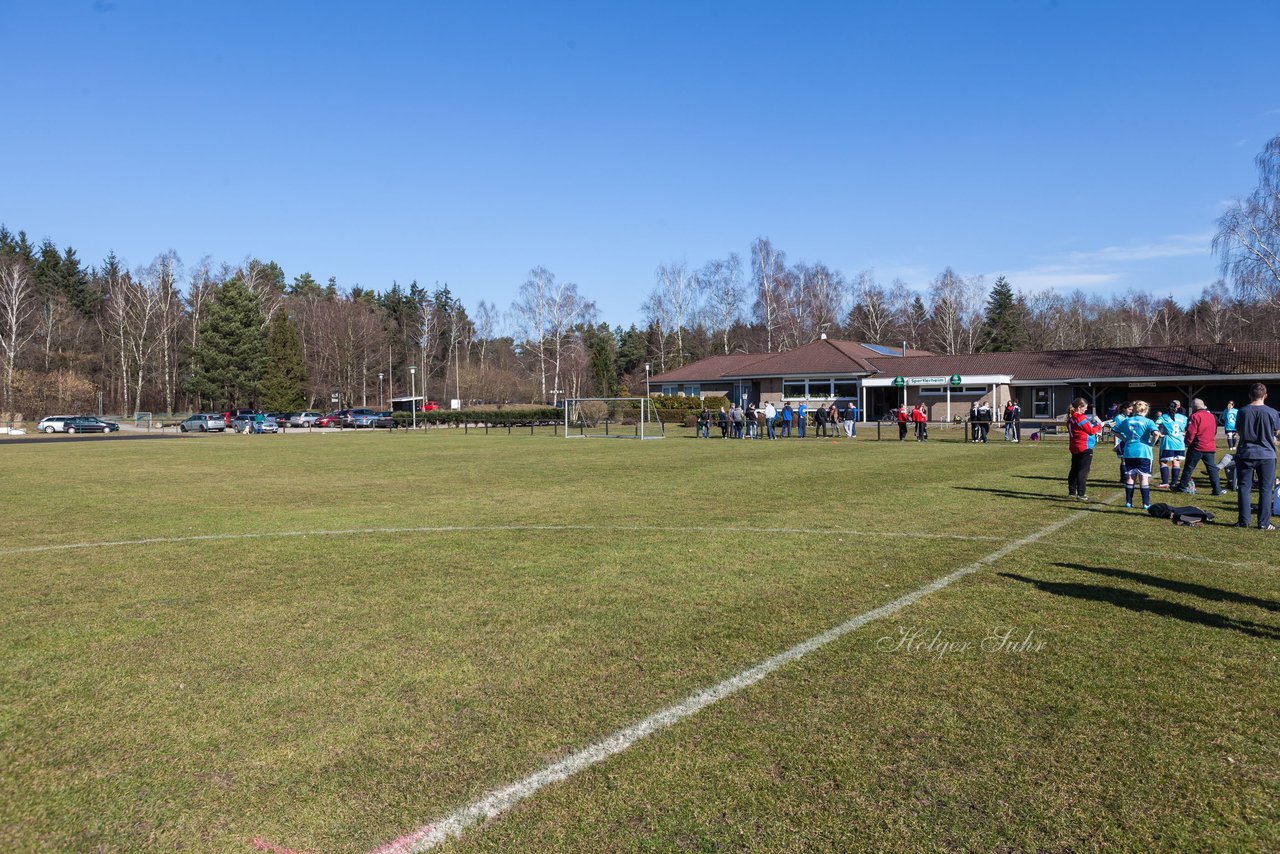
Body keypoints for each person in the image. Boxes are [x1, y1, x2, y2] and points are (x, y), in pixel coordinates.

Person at [1233, 382, 1280, 530]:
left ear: (1250, 395)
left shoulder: (1242, 411)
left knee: (1244, 488)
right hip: (1266, 454)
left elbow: (1239, 431)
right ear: (1265, 395)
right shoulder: (1272, 412)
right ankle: (1264, 522)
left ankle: (1243, 521)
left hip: (1246, 453)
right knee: (1265, 489)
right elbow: (1277, 432)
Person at [1112, 400, 1161, 509]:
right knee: (1144, 478)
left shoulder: (1126, 420)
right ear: (1146, 410)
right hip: (1144, 452)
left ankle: (1128, 502)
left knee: (1130, 477)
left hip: (1129, 451)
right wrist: (1152, 443)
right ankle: (1146, 504)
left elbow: (1114, 430)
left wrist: (1124, 439)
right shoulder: (1148, 421)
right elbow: (1156, 433)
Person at [1174, 398, 1222, 495]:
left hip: (1197, 446)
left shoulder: (1195, 416)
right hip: (1209, 446)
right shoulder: (1212, 416)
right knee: (1212, 469)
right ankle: (1217, 489)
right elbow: (1214, 431)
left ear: (1194, 407)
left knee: (1189, 467)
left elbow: (1191, 432)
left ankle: (1182, 486)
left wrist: (1187, 442)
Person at [1066, 398, 1105, 500]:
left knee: (1074, 469)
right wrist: (1100, 425)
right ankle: (1081, 494)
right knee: (1083, 470)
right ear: (1079, 407)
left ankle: (1072, 492)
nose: (1086, 410)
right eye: (1085, 408)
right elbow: (1091, 431)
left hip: (1074, 446)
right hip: (1084, 446)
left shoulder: (1070, 418)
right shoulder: (1080, 417)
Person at [1155, 401, 1187, 489]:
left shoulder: (1163, 417)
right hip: (1180, 443)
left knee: (1163, 462)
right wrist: (1183, 433)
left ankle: (1165, 482)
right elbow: (1188, 428)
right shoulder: (1183, 418)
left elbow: (1154, 426)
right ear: (1177, 408)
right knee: (1176, 462)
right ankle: (1173, 483)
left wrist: (1160, 434)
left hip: (1168, 443)